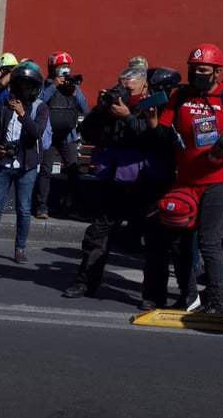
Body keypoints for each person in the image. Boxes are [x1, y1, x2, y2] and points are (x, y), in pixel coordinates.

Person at [62, 67, 160, 299]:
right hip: (112, 182)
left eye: (128, 88)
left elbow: (151, 138)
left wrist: (126, 115)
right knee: (97, 235)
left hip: (142, 184)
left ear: (144, 86)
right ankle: (86, 283)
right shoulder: (111, 107)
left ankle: (151, 294)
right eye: (120, 86)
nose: (122, 92)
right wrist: (99, 109)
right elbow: (87, 132)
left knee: (153, 241)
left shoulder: (150, 105)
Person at [147, 44, 223, 314]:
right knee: (179, 242)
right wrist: (150, 117)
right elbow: (162, 134)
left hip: (220, 181)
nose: (196, 74)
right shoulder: (180, 97)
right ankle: (189, 295)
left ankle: (217, 300)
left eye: (203, 70)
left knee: (209, 241)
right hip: (185, 182)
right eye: (192, 69)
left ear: (217, 72)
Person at [0, 62, 49, 264]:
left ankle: (20, 249)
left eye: (27, 85)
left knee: (23, 209)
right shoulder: (4, 105)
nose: (23, 89)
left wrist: (23, 114)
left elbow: (37, 132)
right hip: (3, 164)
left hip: (26, 166)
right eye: (20, 84)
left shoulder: (40, 107)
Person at [33, 51, 88, 219]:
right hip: (49, 134)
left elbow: (84, 107)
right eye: (61, 67)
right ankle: (42, 206)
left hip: (68, 136)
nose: (65, 70)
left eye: (67, 67)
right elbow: (39, 101)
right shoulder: (46, 85)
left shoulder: (73, 86)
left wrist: (74, 93)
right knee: (46, 170)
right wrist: (54, 87)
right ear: (53, 68)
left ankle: (74, 207)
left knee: (73, 170)